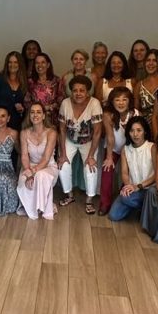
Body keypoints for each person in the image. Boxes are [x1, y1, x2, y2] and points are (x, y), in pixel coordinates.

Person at [58, 75, 103, 214]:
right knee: (63, 165)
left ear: (87, 92)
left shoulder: (94, 103)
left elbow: (97, 132)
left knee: (90, 167)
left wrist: (91, 156)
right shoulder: (65, 103)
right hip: (69, 139)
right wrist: (63, 154)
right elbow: (62, 129)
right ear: (71, 91)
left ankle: (89, 200)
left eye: (82, 90)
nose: (78, 93)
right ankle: (69, 195)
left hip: (88, 141)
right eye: (75, 90)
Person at [99, 87, 140, 215]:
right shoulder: (107, 115)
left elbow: (136, 137)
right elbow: (110, 137)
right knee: (107, 170)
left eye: (124, 100)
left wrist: (128, 154)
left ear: (129, 101)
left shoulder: (135, 114)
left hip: (130, 148)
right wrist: (109, 157)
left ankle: (124, 198)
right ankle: (104, 203)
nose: (121, 103)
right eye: (117, 100)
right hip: (113, 148)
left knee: (129, 173)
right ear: (112, 102)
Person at [108, 116, 155, 221]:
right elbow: (124, 173)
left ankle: (144, 208)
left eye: (139, 130)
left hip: (149, 189)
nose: (135, 134)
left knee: (127, 199)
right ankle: (143, 208)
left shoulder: (152, 147)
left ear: (145, 132)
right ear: (128, 133)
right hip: (133, 189)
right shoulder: (125, 149)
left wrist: (138, 186)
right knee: (113, 216)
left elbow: (157, 175)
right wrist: (128, 186)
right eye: (132, 131)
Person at [17, 102, 59, 220]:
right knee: (24, 180)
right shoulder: (24, 133)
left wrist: (33, 172)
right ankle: (31, 208)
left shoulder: (51, 132)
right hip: (29, 165)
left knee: (41, 176)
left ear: (44, 116)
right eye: (32, 112)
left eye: (39, 112)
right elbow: (24, 156)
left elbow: (46, 158)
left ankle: (43, 208)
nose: (35, 115)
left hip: (48, 166)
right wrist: (28, 171)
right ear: (29, 115)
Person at [0, 51, 27, 131]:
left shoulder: (24, 81)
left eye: (15, 62)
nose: (12, 65)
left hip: (17, 124)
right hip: (0, 124)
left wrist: (21, 109)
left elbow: (26, 104)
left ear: (20, 64)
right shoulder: (0, 79)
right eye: (10, 62)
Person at [24, 52, 65, 125]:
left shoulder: (56, 81)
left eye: (43, 62)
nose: (40, 65)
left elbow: (61, 100)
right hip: (35, 120)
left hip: (53, 121)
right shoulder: (30, 82)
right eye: (37, 63)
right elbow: (26, 102)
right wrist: (39, 109)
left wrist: (50, 107)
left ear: (48, 65)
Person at [135, 48, 158, 125]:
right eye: (148, 60)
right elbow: (136, 111)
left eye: (154, 60)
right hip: (145, 127)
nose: (151, 63)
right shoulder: (139, 85)